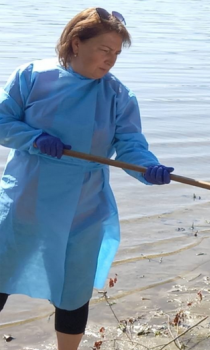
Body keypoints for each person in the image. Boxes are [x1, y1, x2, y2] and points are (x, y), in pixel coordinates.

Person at [0, 8, 174, 350]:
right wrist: (34, 139)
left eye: (116, 54)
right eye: (104, 50)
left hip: (84, 206)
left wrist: (147, 168)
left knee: (74, 291)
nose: (110, 61)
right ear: (76, 44)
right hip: (27, 199)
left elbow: (130, 145)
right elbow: (3, 121)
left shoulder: (119, 96)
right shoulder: (32, 76)